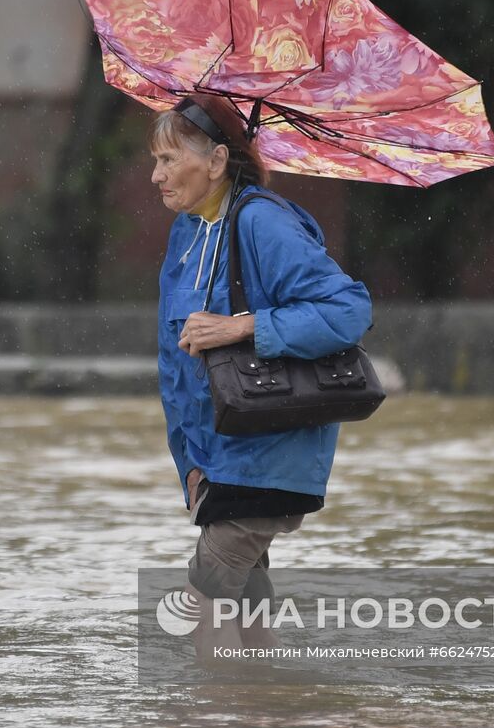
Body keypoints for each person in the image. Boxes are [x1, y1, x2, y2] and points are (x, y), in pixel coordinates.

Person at [151, 93, 373, 660]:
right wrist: (191, 466)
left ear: (219, 161)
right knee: (245, 617)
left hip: (268, 453)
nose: (157, 176)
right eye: (155, 161)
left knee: (197, 607)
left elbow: (347, 310)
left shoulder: (262, 221)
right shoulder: (188, 234)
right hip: (221, 462)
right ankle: (265, 724)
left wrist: (243, 326)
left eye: (170, 160)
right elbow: (178, 371)